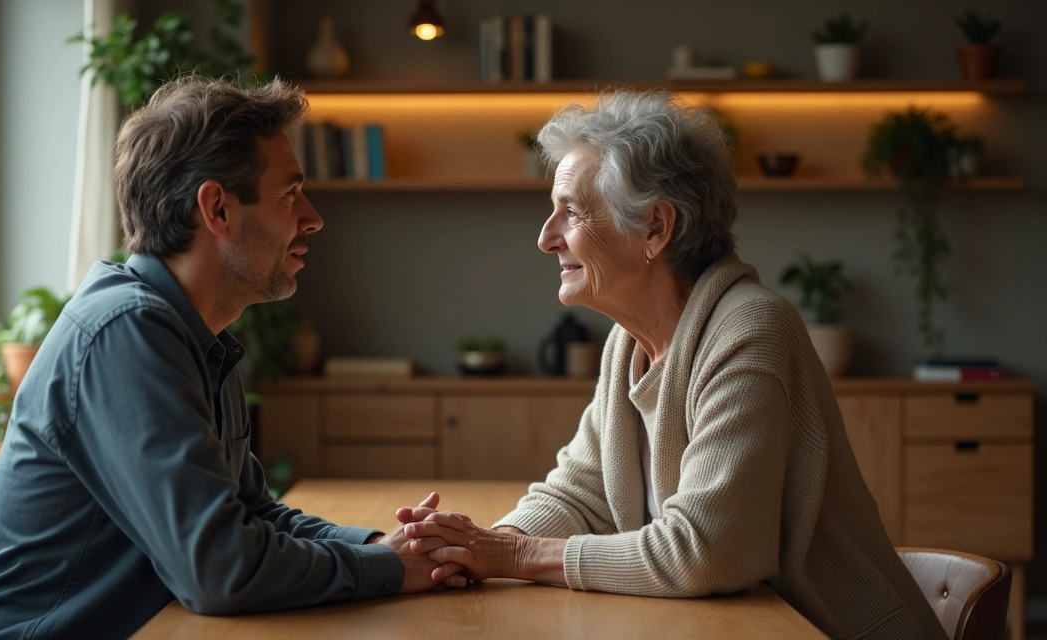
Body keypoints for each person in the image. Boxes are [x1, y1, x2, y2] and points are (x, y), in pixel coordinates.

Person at [401, 90, 948, 639]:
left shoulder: (750, 331)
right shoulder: (628, 344)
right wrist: (466, 552)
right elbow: (577, 494)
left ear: (657, 228)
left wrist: (512, 554)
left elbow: (706, 550)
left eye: (570, 210)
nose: (546, 238)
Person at [0, 76, 464, 640]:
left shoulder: (196, 335)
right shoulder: (127, 332)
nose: (313, 217)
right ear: (217, 207)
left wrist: (386, 546)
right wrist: (389, 568)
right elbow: (220, 570)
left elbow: (254, 515)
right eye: (289, 194)